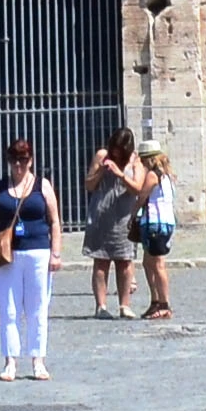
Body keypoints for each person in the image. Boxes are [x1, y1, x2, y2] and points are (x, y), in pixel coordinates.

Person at [0, 139, 59, 382]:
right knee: (9, 308)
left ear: (31, 160)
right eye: (14, 160)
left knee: (37, 308)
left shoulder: (42, 185)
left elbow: (54, 221)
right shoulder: (0, 186)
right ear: (8, 161)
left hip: (38, 250)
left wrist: (56, 253)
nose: (19, 165)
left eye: (24, 160)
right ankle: (10, 361)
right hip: (7, 254)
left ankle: (38, 360)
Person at [80, 129, 143, 318]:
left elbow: (137, 188)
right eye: (113, 148)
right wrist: (100, 172)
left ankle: (125, 305)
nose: (115, 153)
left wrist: (120, 174)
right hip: (101, 215)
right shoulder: (102, 155)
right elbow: (89, 185)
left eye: (119, 150)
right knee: (101, 261)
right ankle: (101, 306)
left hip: (123, 216)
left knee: (125, 261)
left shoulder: (135, 160)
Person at [132, 140, 178, 319]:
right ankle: (155, 300)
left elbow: (142, 196)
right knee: (148, 262)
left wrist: (132, 214)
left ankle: (164, 303)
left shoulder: (153, 176)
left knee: (158, 264)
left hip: (155, 222)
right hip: (166, 221)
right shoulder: (168, 176)